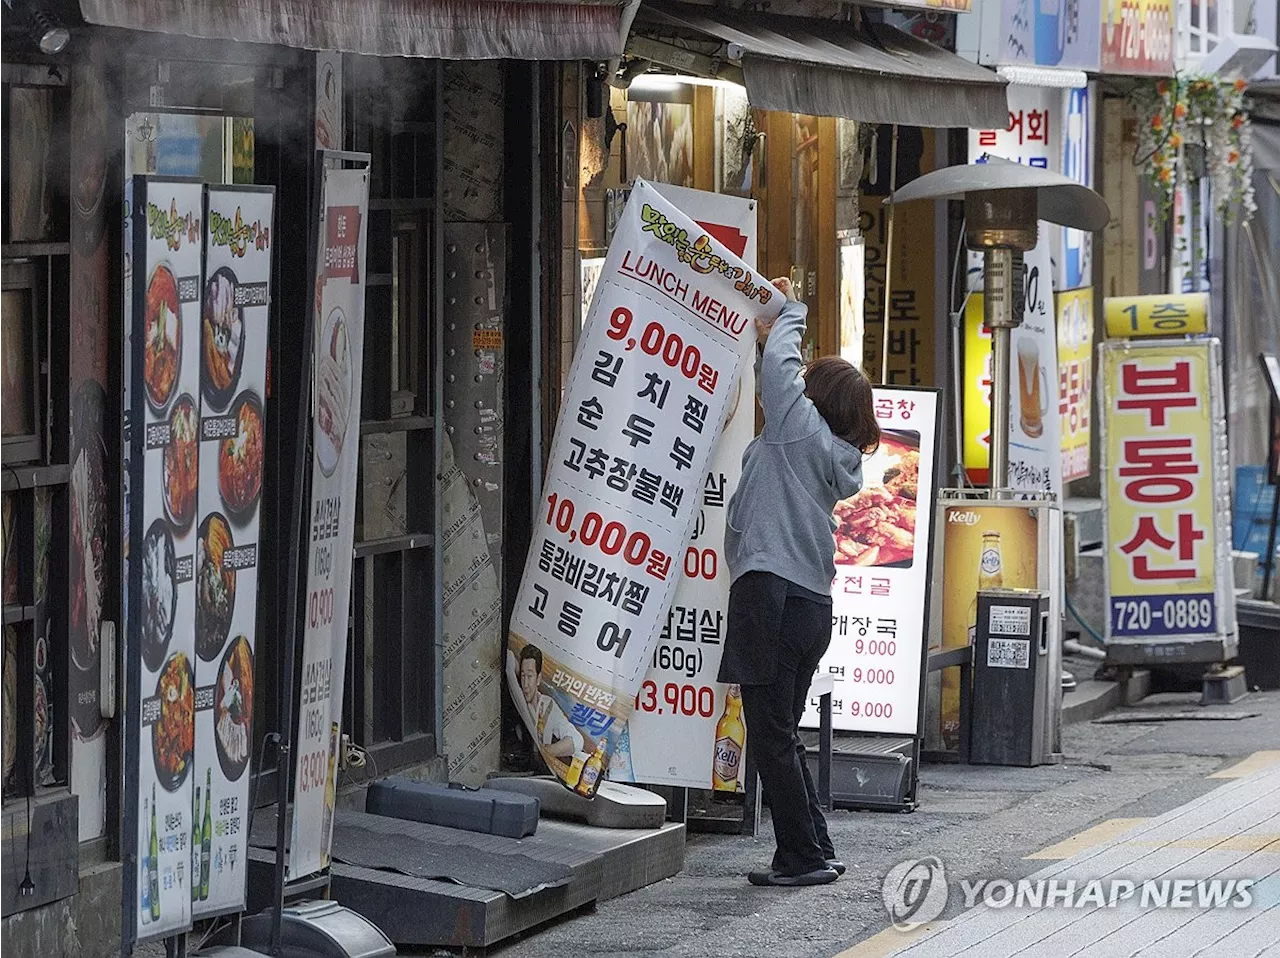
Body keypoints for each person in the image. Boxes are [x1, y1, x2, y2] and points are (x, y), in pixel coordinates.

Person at [719, 277, 880, 888]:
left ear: (815, 401)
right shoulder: (821, 450)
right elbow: (779, 373)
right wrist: (769, 334)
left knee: (771, 735)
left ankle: (802, 858)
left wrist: (788, 310)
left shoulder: (798, 431)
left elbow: (781, 372)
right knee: (782, 731)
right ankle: (816, 846)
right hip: (809, 602)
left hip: (773, 597)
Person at [517, 644, 584, 760]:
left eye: (530, 676)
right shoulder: (517, 697)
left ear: (538, 679)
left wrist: (547, 751)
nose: (525, 684)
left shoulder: (547, 704)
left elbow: (577, 740)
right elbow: (510, 660)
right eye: (523, 676)